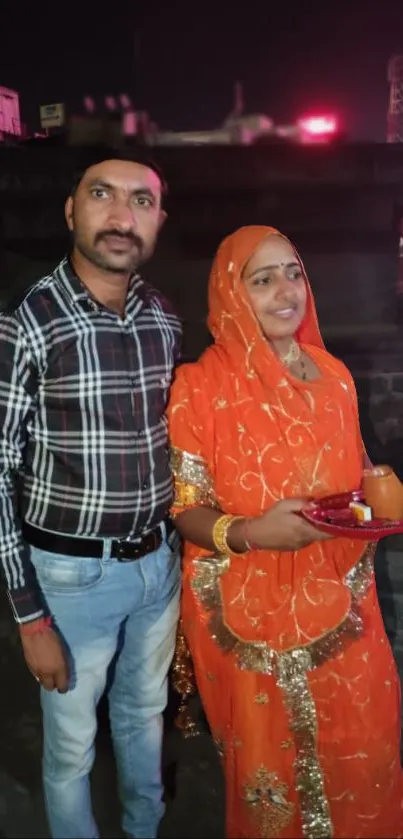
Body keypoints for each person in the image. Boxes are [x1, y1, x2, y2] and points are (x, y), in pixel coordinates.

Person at [168, 225, 403, 839]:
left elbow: (352, 482)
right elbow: (185, 510)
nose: (284, 291)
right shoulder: (201, 386)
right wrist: (252, 533)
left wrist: (375, 489)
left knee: (367, 748)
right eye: (262, 278)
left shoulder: (334, 376)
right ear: (230, 291)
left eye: (293, 273)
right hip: (246, 603)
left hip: (342, 600)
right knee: (268, 781)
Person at [0, 149, 182, 839]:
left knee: (143, 716)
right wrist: (29, 617)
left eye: (141, 200)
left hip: (155, 565)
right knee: (72, 747)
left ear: (158, 220)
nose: (121, 215)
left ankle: (144, 830)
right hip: (70, 578)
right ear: (71, 210)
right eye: (102, 194)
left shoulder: (161, 317)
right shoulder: (28, 321)